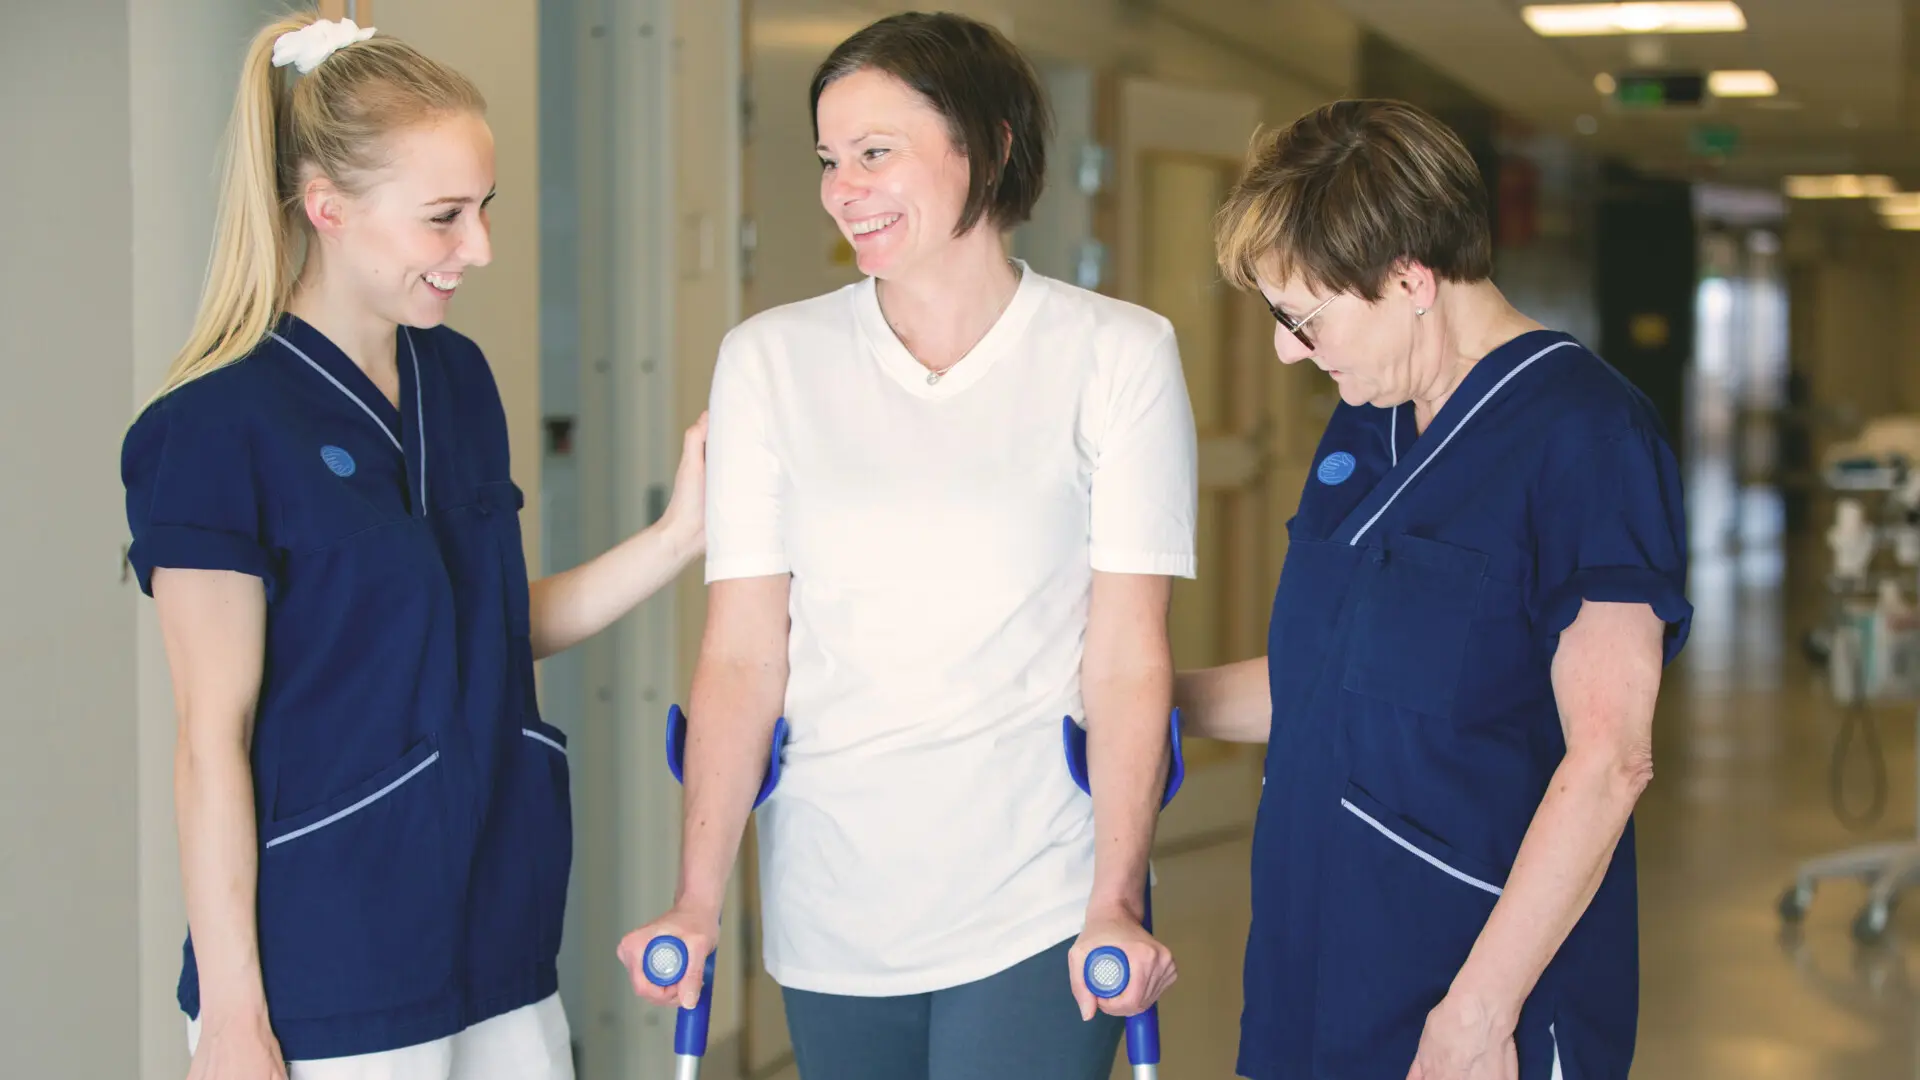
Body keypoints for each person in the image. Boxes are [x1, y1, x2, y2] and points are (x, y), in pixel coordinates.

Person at [122, 14, 705, 1080]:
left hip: (498, 937)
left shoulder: (457, 380)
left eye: (484, 208)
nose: (478, 248)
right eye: (445, 217)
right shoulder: (215, 429)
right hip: (326, 969)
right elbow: (211, 738)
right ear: (328, 207)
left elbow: (488, 624)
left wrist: (682, 536)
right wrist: (238, 1016)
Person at [615, 12, 1196, 1079]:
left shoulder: (1116, 355)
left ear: (992, 144)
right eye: (829, 159)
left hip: (1041, 890)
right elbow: (742, 656)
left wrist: (1115, 895)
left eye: (876, 152)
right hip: (831, 894)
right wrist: (697, 898)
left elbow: (1125, 656)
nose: (844, 189)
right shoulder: (770, 361)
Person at [1176, 99, 1692, 1080]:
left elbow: (1610, 760)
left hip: (1468, 987)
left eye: (1303, 318)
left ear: (1411, 280)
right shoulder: (1367, 418)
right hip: (1312, 959)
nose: (1288, 349)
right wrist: (1145, 697)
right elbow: (1330, 685)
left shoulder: (1586, 436)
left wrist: (1479, 1014)